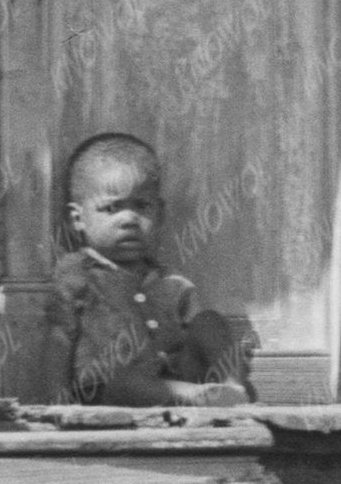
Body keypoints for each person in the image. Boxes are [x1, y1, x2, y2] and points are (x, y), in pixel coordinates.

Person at [48, 129, 255, 407]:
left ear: (160, 212)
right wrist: (56, 406)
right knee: (119, 380)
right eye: (111, 209)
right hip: (108, 392)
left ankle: (232, 388)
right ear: (78, 219)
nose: (129, 219)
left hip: (174, 380)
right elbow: (58, 343)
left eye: (142, 206)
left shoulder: (171, 282)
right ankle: (196, 397)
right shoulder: (76, 275)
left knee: (209, 321)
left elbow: (197, 335)